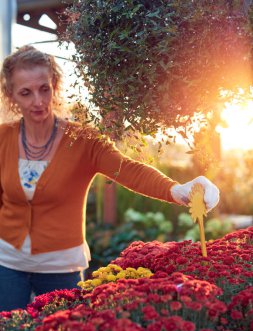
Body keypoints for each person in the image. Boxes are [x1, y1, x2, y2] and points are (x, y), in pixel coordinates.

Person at [0, 45, 220, 312]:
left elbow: (127, 169)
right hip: (7, 263)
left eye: (44, 88)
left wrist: (176, 190)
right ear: (11, 95)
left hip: (61, 266)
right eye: (26, 92)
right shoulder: (3, 138)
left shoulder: (84, 141)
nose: (37, 100)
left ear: (54, 86)